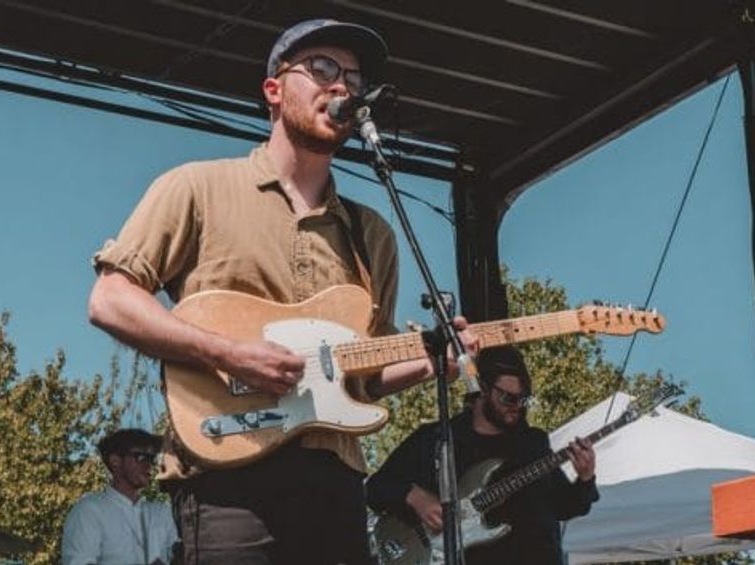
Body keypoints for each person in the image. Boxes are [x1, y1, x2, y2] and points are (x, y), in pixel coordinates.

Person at [88, 19, 476, 564]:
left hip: (336, 482)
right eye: (322, 69)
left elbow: (364, 375)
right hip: (227, 472)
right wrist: (228, 354)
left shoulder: (372, 235)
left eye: (354, 79)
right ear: (273, 90)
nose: (341, 86)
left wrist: (431, 362)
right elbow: (110, 299)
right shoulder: (198, 187)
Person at [366, 347, 598, 565]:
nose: (517, 406)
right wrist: (413, 495)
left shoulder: (533, 443)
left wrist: (585, 478)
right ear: (482, 390)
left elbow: (564, 507)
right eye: (508, 398)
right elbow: (375, 488)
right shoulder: (436, 439)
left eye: (524, 399)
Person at [62, 429, 177, 565]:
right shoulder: (89, 511)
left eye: (152, 458)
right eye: (141, 457)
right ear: (115, 461)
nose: (149, 465)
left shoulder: (162, 513)